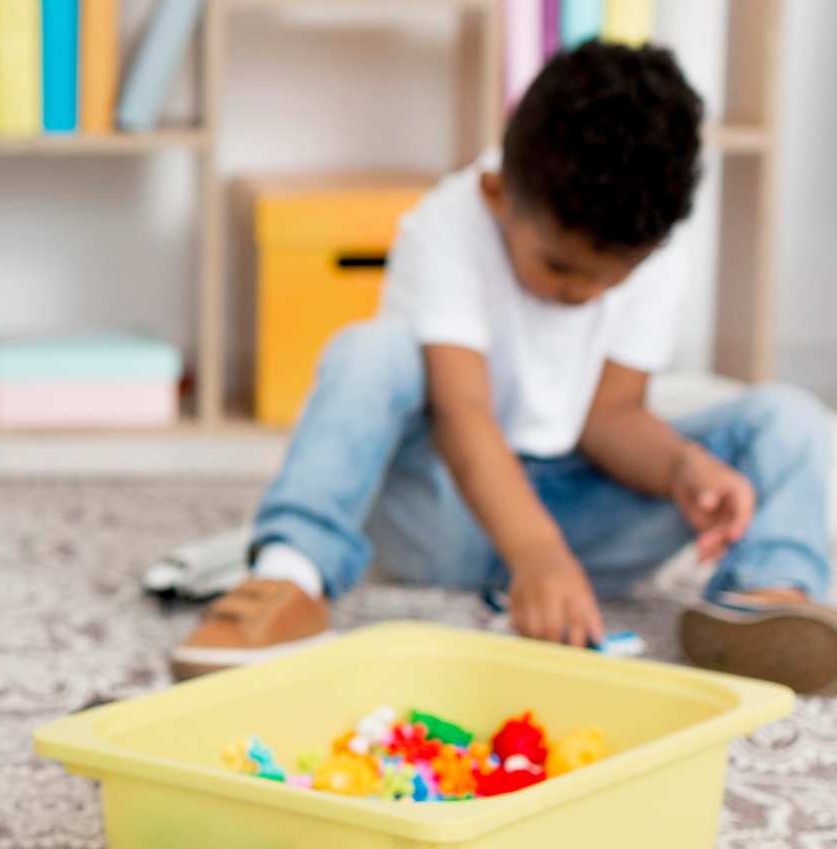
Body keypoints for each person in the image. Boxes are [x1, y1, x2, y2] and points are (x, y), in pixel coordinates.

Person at [174, 42, 834, 694]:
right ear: (497, 195)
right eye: (561, 267)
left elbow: (610, 418)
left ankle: (765, 595)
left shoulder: (650, 242)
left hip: (578, 524)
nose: (582, 294)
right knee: (368, 351)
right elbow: (464, 416)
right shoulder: (447, 225)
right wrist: (535, 552)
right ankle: (290, 577)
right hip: (442, 508)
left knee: (789, 417)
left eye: (610, 281)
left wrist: (681, 467)